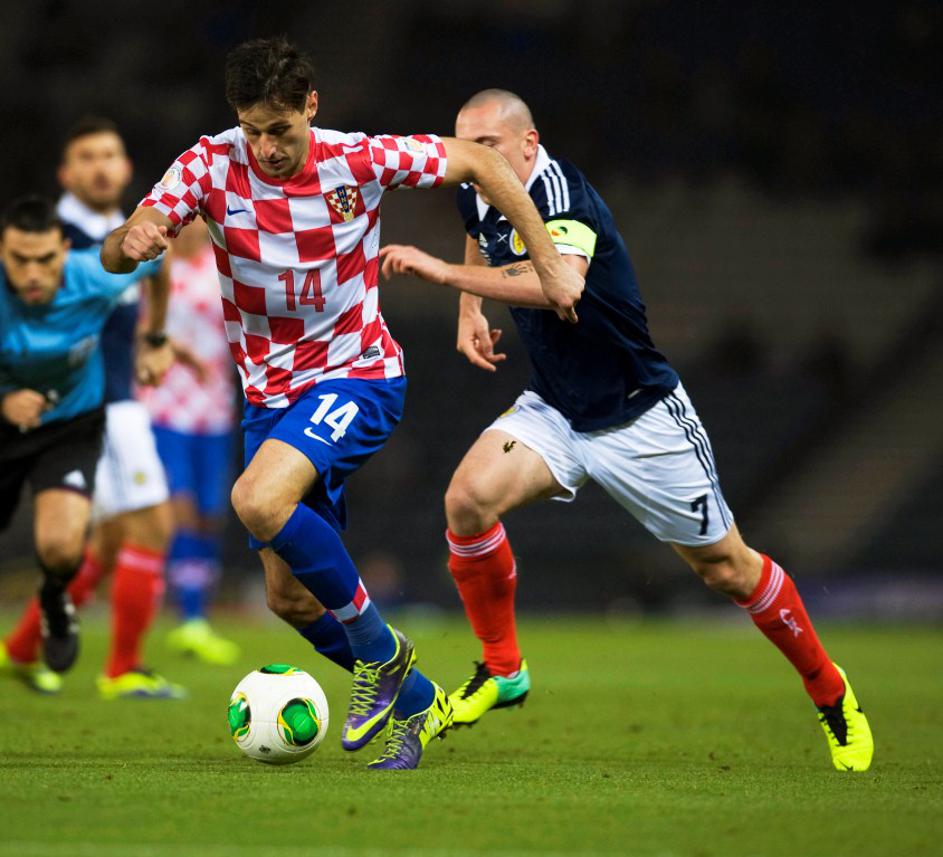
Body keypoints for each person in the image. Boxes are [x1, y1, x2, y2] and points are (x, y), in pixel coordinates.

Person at [101, 38, 583, 770]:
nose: (265, 147)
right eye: (251, 130)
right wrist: (130, 239)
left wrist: (546, 262)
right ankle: (414, 696)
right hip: (270, 398)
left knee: (256, 500)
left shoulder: (357, 159)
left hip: (356, 375)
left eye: (279, 129)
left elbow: (481, 164)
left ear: (311, 106)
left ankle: (379, 655)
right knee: (289, 600)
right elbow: (119, 244)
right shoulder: (208, 164)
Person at [378, 89, 874, 772]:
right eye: (465, 146)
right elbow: (480, 231)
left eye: (486, 146)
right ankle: (503, 670)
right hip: (556, 407)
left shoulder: (562, 194)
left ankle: (828, 688)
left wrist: (444, 275)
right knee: (466, 500)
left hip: (638, 413)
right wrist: (470, 309)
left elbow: (562, 285)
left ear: (528, 143)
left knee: (727, 569)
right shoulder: (479, 187)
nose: (472, 159)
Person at [1, 118, 184, 699]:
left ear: (127, 167)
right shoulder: (59, 242)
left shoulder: (120, 231)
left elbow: (159, 266)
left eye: (110, 154)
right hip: (96, 408)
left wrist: (156, 339)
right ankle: (122, 668)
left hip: (108, 401)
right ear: (66, 173)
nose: (101, 167)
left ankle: (21, 648)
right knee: (151, 526)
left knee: (102, 543)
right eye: (87, 157)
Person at [136, 218, 241, 665]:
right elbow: (134, 327)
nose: (192, 226)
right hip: (162, 406)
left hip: (214, 409)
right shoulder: (152, 268)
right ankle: (190, 617)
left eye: (200, 217)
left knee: (209, 514)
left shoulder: (224, 268)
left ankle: (196, 612)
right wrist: (171, 350)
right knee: (177, 507)